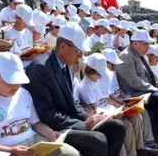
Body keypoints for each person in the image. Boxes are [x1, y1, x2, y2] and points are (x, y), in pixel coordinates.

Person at [24, 22, 126, 156]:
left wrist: (90, 117)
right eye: (78, 51)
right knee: (97, 140)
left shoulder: (68, 64)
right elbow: (47, 114)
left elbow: (72, 102)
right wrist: (83, 125)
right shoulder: (40, 68)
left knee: (117, 127)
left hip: (68, 120)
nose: (80, 56)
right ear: (63, 46)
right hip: (53, 127)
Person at [0, 52, 79, 156]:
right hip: (4, 148)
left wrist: (50, 133)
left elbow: (35, 123)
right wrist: (10, 151)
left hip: (33, 141)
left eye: (18, 81)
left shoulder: (24, 93)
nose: (15, 86)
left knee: (70, 153)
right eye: (10, 82)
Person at [101, 48, 158, 154]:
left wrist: (127, 100)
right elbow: (108, 98)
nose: (115, 67)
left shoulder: (112, 74)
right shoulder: (101, 77)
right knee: (131, 119)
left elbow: (119, 92)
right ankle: (140, 148)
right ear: (105, 63)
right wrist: (123, 105)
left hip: (119, 102)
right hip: (110, 107)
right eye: (112, 64)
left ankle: (147, 143)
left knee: (141, 111)